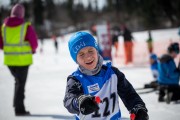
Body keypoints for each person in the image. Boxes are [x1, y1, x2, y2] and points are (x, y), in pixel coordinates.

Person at [63, 31, 149, 120]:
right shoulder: (76, 80)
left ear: (96, 51)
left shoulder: (113, 73)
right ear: (76, 59)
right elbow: (69, 100)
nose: (88, 57)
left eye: (90, 51)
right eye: (81, 54)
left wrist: (138, 108)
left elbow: (128, 94)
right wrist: (79, 101)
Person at [0, 3, 38, 115]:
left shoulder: (4, 27)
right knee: (20, 84)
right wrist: (32, 50)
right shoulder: (26, 26)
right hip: (23, 61)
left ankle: (16, 103)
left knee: (18, 83)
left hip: (9, 62)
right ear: (22, 14)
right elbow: (34, 43)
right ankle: (19, 109)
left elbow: (1, 45)